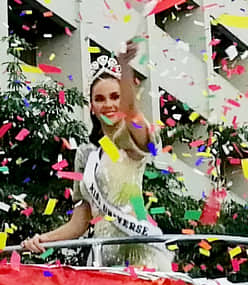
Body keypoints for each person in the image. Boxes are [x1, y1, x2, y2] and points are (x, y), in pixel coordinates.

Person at [21, 38, 172, 272]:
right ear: (91, 105)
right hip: (103, 258)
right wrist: (42, 239)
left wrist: (125, 66)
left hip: (140, 255)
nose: (108, 104)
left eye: (115, 96)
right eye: (99, 99)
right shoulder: (86, 156)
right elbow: (80, 221)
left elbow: (132, 115)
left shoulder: (128, 141)